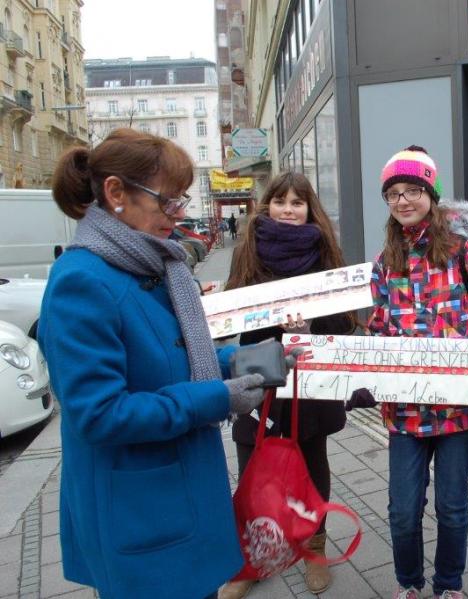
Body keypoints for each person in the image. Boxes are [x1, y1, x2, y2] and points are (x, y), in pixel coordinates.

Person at [38, 128, 272, 599]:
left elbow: (178, 357)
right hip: (139, 511)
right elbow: (100, 414)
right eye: (167, 201)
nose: (179, 214)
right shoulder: (81, 282)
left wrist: (250, 360)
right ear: (115, 193)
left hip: (179, 494)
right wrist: (217, 397)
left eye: (181, 199)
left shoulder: (151, 263)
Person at [353, 145, 468, 599]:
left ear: (432, 192)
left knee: (451, 507)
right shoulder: (384, 260)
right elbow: (379, 326)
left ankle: (449, 586)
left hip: (459, 408)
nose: (403, 201)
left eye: (413, 190)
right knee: (402, 510)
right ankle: (409, 584)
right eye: (393, 194)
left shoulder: (465, 250)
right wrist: (365, 371)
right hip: (405, 409)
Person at [218, 171, 355, 599]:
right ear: (267, 206)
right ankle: (253, 558)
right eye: (281, 201)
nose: (289, 210)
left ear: (309, 208)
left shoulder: (326, 254)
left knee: (312, 463)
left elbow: (345, 323)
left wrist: (310, 325)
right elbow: (234, 315)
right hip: (258, 378)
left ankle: (314, 547)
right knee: (252, 465)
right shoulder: (249, 251)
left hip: (311, 376)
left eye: (298, 203)